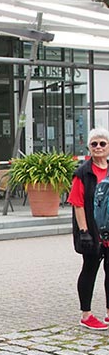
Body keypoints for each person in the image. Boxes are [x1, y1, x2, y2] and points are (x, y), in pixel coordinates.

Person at [68, 127, 109, 330]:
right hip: (92, 230)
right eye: (95, 144)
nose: (99, 147)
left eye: (103, 143)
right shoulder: (83, 173)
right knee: (90, 269)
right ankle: (86, 314)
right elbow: (77, 203)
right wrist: (84, 232)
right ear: (89, 148)